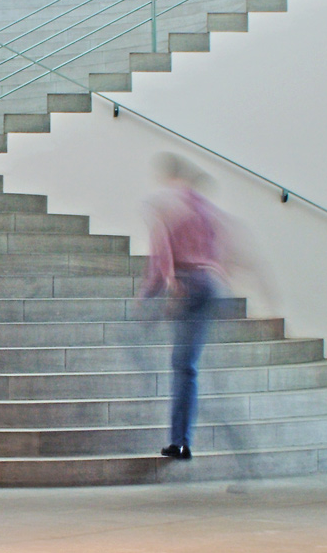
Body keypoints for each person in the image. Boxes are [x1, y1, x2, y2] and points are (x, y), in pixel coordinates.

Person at [140, 152, 227, 462]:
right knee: (188, 366)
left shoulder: (166, 205)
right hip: (209, 285)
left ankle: (179, 442)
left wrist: (151, 293)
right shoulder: (204, 208)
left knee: (182, 366)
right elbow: (217, 249)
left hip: (188, 285)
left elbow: (161, 253)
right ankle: (182, 440)